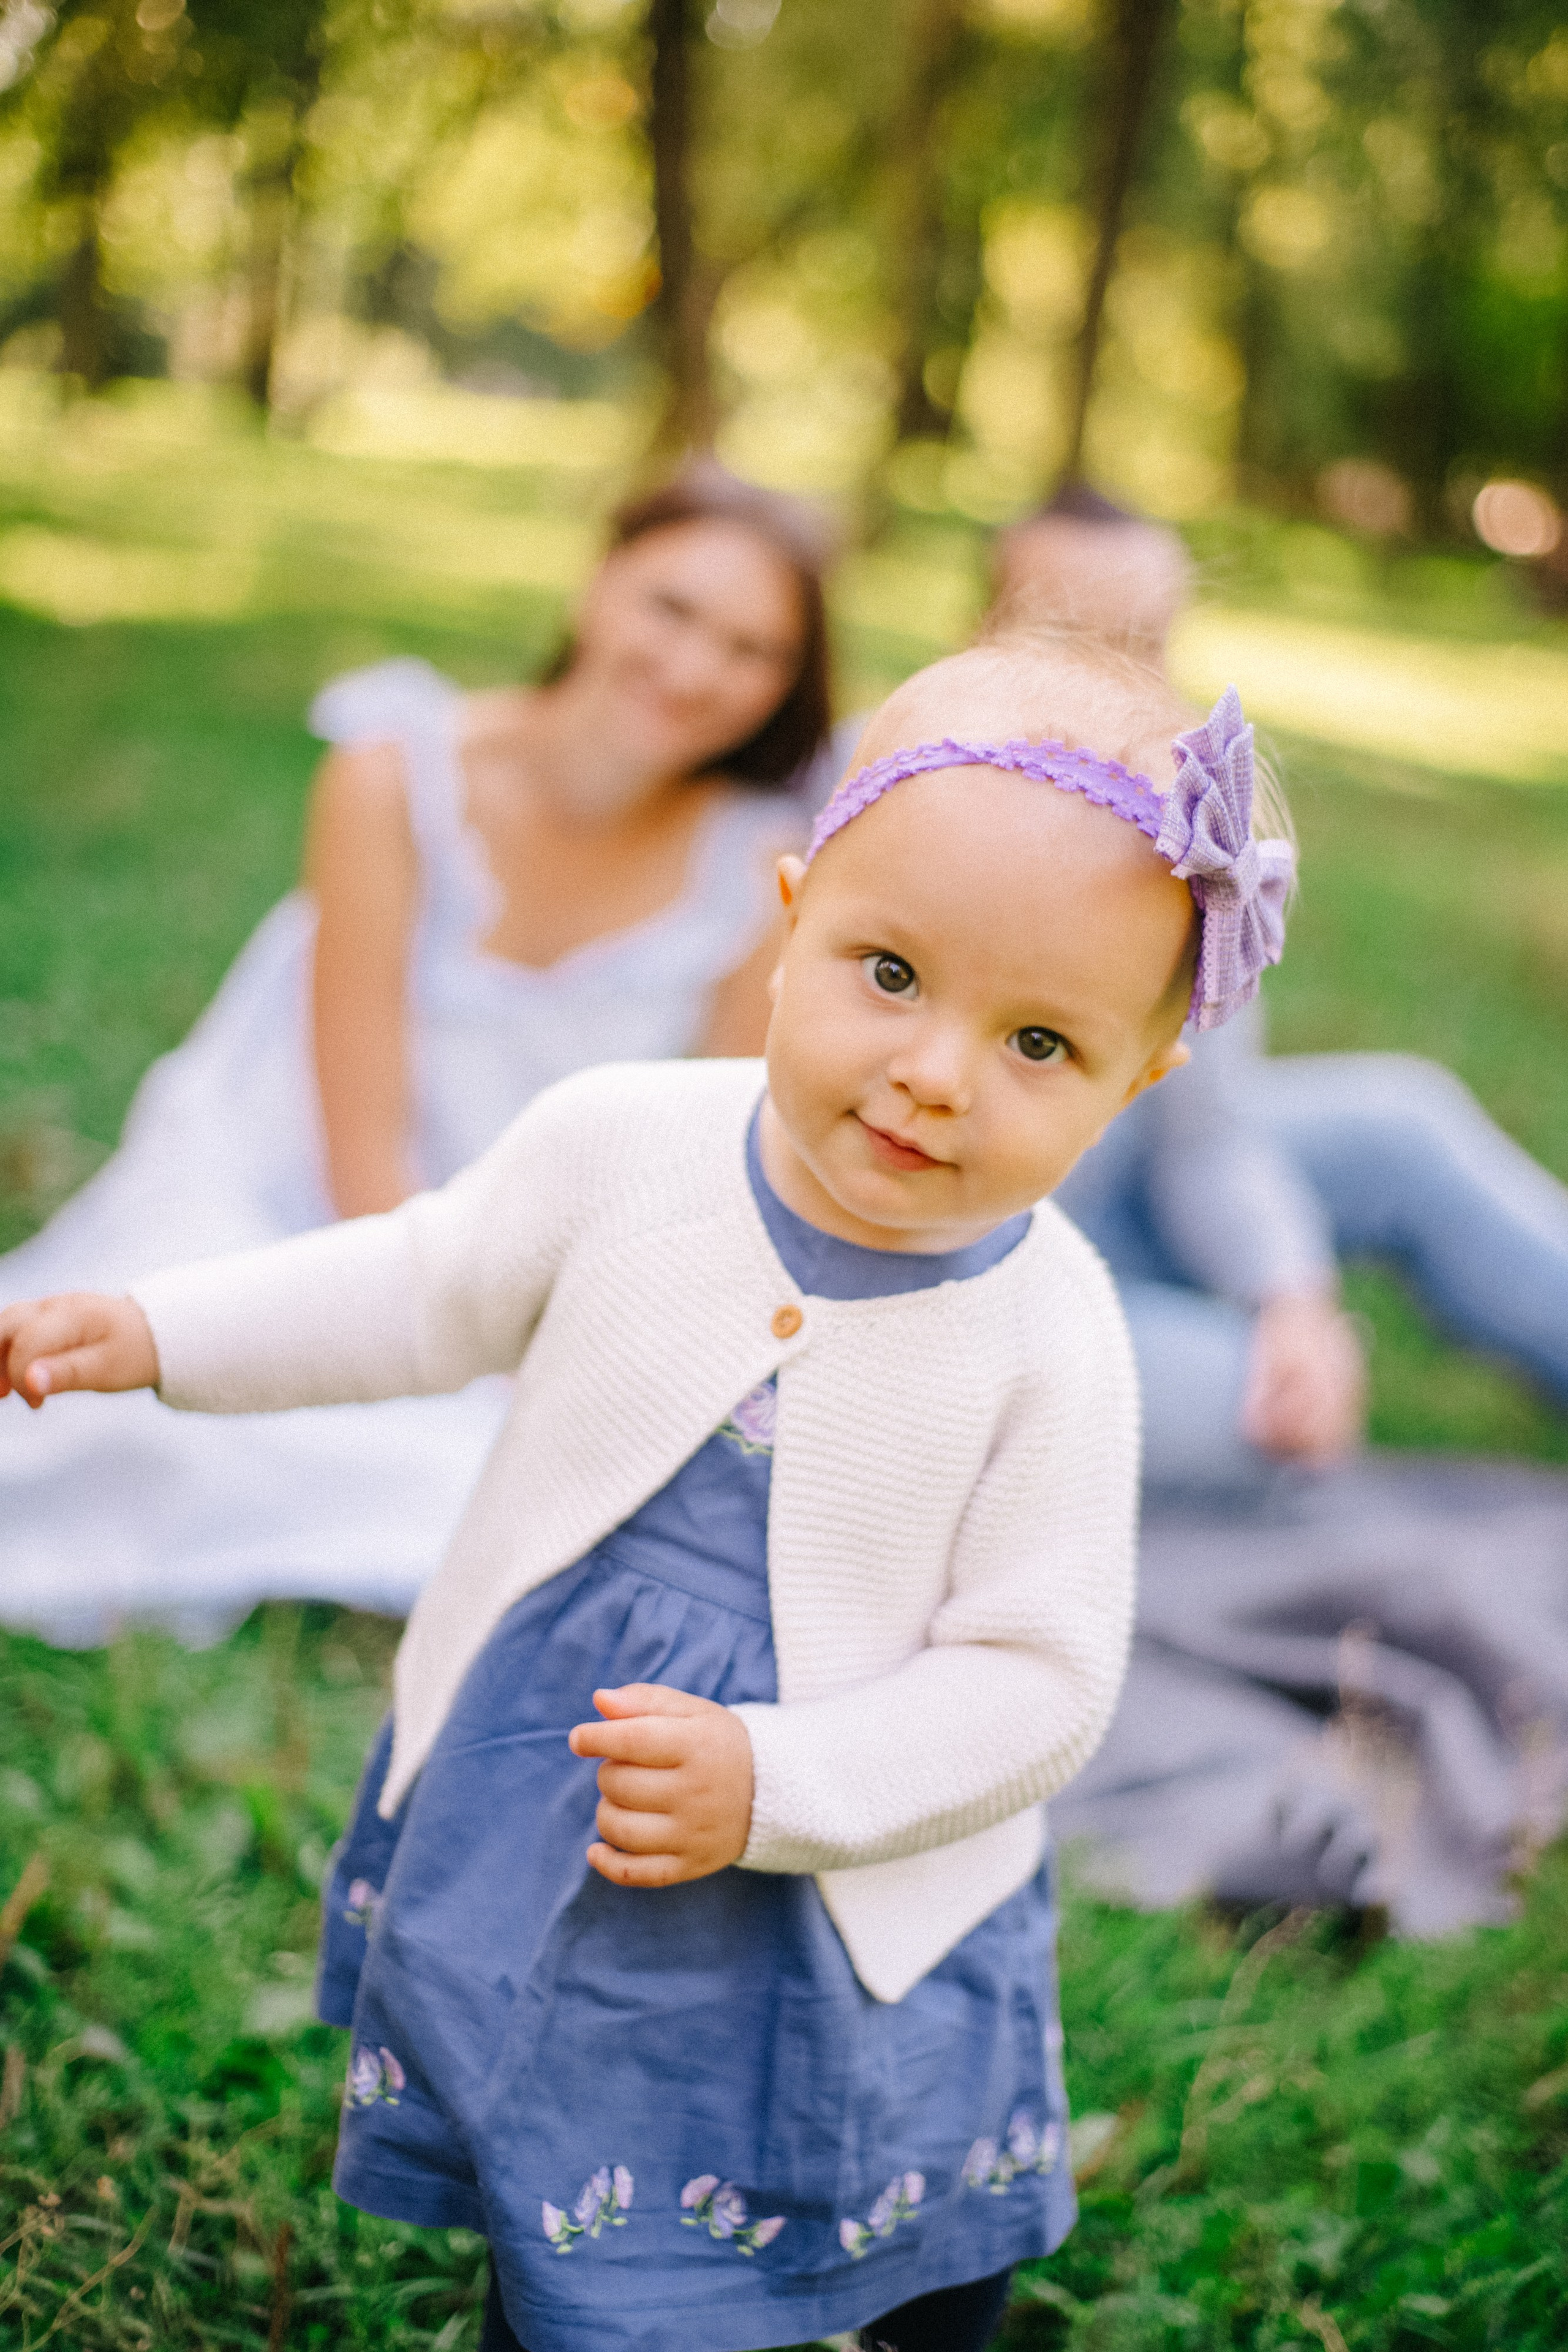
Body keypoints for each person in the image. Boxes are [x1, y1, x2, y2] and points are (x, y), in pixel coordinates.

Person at [0, 639, 1290, 2351]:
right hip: (571, 1779)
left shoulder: (1055, 1333)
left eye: (1041, 1041)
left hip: (857, 1870)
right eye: (890, 972)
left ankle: (907, 2303)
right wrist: (167, 1327)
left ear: (1141, 1081)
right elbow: (416, 1284)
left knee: (893, 2192)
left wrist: (781, 1775)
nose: (934, 1073)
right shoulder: (621, 1141)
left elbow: (1042, 1682)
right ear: (791, 914)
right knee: (577, 2138)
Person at [0, 466, 833, 1643]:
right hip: (298, 1203)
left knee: (607, 1496)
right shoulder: (394, 770)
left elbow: (695, 1168)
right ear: (599, 582)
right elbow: (358, 1157)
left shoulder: (759, 865)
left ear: (789, 687)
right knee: (141, 1416)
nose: (696, 670)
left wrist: (561, 1342)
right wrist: (459, 1345)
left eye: (753, 650)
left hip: (532, 1250)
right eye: (672, 609)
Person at [997, 486, 1568, 1490]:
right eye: (1081, 638)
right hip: (981, 1270)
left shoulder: (1167, 813)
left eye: (1152, 640)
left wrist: (1291, 1298)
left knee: (1402, 1120)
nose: (1128, 677)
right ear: (986, 631)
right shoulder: (901, 794)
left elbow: (1208, 1133)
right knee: (1261, 1416)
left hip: (1114, 1188)